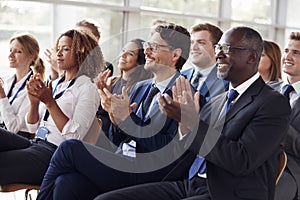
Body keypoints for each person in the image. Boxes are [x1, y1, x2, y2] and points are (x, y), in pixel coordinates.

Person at [94, 26, 291, 200]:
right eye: (218, 49)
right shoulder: (218, 101)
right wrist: (183, 127)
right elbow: (185, 149)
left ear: (252, 57)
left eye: (226, 49)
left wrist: (192, 122)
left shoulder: (273, 103)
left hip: (226, 192)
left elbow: (241, 160)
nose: (218, 55)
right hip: (189, 183)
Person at [36, 23, 192, 200]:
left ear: (175, 54)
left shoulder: (186, 94)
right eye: (147, 46)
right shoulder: (140, 87)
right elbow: (119, 139)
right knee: (66, 182)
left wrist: (128, 119)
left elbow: (171, 153)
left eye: (154, 47)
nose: (147, 51)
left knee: (69, 148)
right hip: (123, 160)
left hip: (150, 172)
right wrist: (116, 121)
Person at [0, 29, 104, 187]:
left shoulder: (87, 88)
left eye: (66, 49)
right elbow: (33, 126)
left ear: (81, 53)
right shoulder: (56, 84)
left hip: (54, 154)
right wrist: (34, 103)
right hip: (36, 143)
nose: (59, 53)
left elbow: (74, 138)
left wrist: (50, 103)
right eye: (58, 49)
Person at [96, 38, 152, 137]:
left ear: (139, 62)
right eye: (123, 51)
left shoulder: (140, 88)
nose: (123, 55)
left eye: (130, 53)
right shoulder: (111, 82)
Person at [269, 32, 300, 200]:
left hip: (291, 170)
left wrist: (278, 124)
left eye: (296, 53)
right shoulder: (267, 89)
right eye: (287, 50)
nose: (287, 56)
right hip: (254, 161)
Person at [0, 32, 45, 138]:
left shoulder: (34, 87)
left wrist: (2, 96)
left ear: (31, 56)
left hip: (17, 138)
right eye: (11, 50)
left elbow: (13, 129)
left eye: (18, 52)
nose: (10, 55)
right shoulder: (6, 81)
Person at [45, 18, 113, 80]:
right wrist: (54, 74)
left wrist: (60, 71)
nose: (79, 39)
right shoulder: (66, 60)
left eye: (84, 36)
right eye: (76, 35)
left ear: (96, 39)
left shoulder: (104, 67)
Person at [181, 23, 228, 103]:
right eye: (192, 42)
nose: (194, 47)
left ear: (216, 48)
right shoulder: (180, 77)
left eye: (201, 43)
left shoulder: (227, 81)